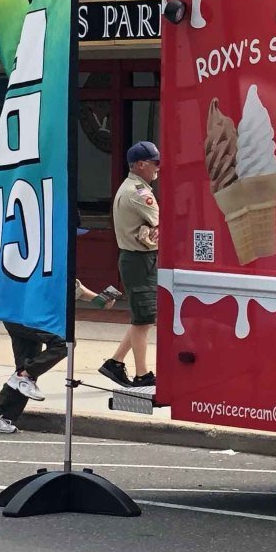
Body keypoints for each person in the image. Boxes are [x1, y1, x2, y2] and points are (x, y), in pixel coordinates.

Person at [0, 281, 118, 434]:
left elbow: (73, 286)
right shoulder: (43, 259)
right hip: (23, 312)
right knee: (63, 342)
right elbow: (67, 285)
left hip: (15, 311)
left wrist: (98, 300)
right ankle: (22, 378)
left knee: (28, 367)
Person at [100, 141, 159, 389]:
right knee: (143, 320)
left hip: (138, 259)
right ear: (141, 165)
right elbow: (161, 223)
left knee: (142, 317)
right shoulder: (138, 193)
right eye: (156, 163)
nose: (158, 168)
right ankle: (142, 374)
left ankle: (115, 362)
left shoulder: (132, 188)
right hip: (140, 260)